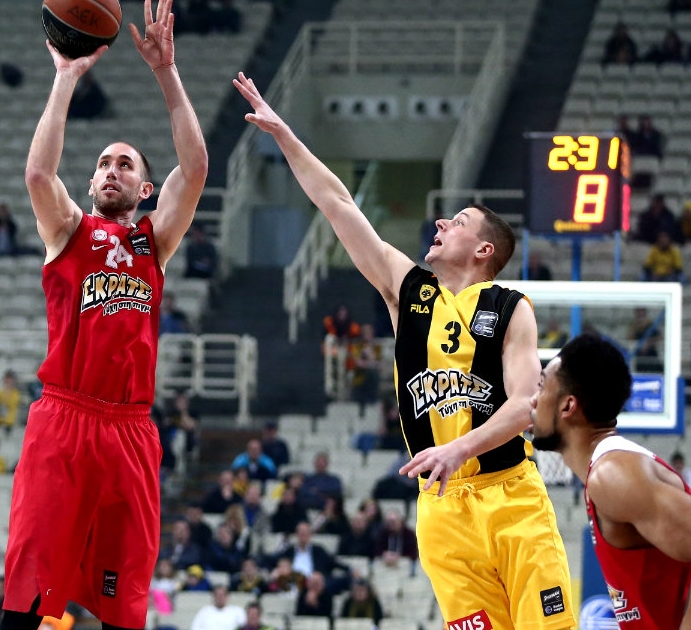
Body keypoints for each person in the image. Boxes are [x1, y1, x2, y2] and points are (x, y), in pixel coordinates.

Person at [234, 72, 575, 627]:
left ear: (483, 250)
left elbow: (523, 407)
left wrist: (459, 449)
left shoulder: (512, 307)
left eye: (458, 221)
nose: (440, 220)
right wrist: (285, 136)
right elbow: (338, 203)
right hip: (441, 511)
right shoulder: (408, 290)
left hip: (510, 494)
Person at [0, 3, 208, 629]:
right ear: (90, 186)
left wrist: (166, 73)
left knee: (123, 603)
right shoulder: (68, 231)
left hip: (130, 430)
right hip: (64, 421)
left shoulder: (154, 242)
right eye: (101, 164)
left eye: (125, 164)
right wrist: (65, 77)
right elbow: (38, 172)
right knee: (29, 592)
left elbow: (195, 168)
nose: (110, 170)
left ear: (145, 190)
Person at [531, 333, 691, 628]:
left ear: (568, 406)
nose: (533, 399)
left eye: (541, 386)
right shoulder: (608, 471)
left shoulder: (613, 476)